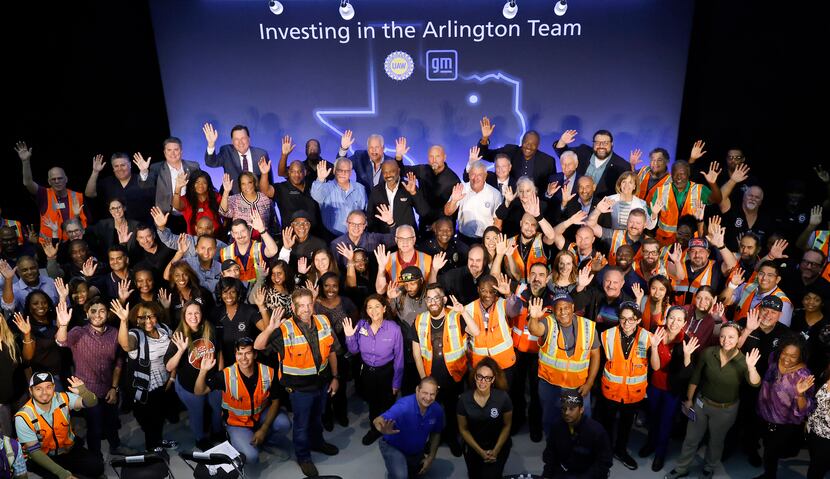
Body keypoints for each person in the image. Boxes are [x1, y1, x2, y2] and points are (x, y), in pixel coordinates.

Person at [254, 288, 340, 477]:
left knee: (318, 418)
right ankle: (303, 457)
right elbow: (258, 346)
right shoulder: (285, 329)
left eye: (309, 304)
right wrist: (270, 327)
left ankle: (318, 443)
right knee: (301, 425)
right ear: (293, 307)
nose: (306, 309)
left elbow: (332, 350)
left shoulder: (323, 321)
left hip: (323, 383)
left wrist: (335, 377)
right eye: (301, 305)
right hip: (300, 390)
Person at [664, 322, 761, 479]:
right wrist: (689, 400)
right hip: (701, 404)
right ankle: (682, 468)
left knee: (716, 441)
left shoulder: (744, 361)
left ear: (738, 339)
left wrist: (751, 368)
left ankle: (709, 468)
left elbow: (755, 383)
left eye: (731, 337)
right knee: (691, 439)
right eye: (722, 336)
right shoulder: (709, 353)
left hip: (726, 410)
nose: (726, 340)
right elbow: (695, 377)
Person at [194, 338, 292, 468]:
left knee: (284, 423)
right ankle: (238, 440)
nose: (243, 358)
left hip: (260, 416)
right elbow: (199, 391)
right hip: (237, 424)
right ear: (235, 355)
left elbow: (275, 401)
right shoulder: (226, 374)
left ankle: (267, 442)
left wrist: (264, 429)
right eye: (240, 353)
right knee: (251, 457)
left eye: (248, 353)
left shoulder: (268, 372)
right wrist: (203, 371)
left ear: (255, 354)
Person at [54, 299, 134, 457]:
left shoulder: (115, 333)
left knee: (112, 422)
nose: (98, 314)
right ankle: (95, 457)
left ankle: (115, 446)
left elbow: (119, 361)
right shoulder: (78, 332)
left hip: (108, 388)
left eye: (102, 310)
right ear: (87, 313)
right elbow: (61, 341)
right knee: (94, 427)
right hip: (87, 391)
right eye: (93, 311)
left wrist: (114, 388)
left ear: (108, 313)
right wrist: (63, 325)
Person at [411, 283, 480, 456]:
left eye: (436, 298)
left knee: (452, 410)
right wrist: (424, 380)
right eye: (429, 298)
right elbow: (416, 353)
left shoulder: (456, 316)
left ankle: (451, 438)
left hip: (454, 376)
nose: (432, 302)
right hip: (430, 377)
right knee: (430, 411)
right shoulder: (420, 320)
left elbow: (476, 332)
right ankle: (433, 439)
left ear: (443, 299)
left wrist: (463, 311)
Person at [526, 293, 600, 438]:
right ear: (554, 310)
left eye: (566, 308)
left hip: (578, 386)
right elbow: (534, 330)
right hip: (550, 385)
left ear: (573, 308)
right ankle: (553, 448)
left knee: (581, 422)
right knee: (550, 420)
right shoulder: (549, 322)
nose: (563, 312)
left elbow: (596, 355)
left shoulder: (588, 327)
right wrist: (534, 317)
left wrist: (590, 383)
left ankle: (579, 449)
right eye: (559, 309)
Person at [640, 306, 698, 472]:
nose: (674, 322)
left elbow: (687, 374)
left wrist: (687, 355)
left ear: (684, 323)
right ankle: (650, 444)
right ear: (666, 317)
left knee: (666, 422)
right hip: (654, 386)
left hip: (672, 390)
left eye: (679, 319)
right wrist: (655, 347)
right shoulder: (655, 332)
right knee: (652, 418)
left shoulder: (687, 341)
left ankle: (660, 453)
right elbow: (655, 367)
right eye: (672, 318)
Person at [15, 372, 104, 479]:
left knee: (97, 467)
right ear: (31, 391)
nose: (44, 392)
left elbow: (92, 402)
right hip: (44, 456)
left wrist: (83, 391)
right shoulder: (23, 417)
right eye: (38, 389)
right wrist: (63, 473)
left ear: (54, 387)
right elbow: (35, 452)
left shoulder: (62, 397)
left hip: (68, 450)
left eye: (48, 387)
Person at [596, 302, 652, 470]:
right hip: (610, 391)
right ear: (618, 318)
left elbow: (652, 366)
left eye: (631, 319)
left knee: (626, 425)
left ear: (638, 320)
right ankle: (604, 452)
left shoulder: (648, 337)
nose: (627, 323)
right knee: (606, 423)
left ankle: (620, 451)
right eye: (623, 318)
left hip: (633, 393)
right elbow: (600, 363)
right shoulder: (606, 335)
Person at [112, 300, 173, 451]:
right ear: (136, 319)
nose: (147, 320)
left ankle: (158, 441)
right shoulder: (135, 334)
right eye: (142, 317)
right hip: (145, 387)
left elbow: (173, 352)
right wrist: (123, 321)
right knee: (150, 421)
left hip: (164, 383)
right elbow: (125, 345)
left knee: (159, 418)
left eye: (151, 316)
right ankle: (153, 448)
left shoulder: (164, 329)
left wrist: (172, 377)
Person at [343, 295, 404, 445]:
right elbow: (354, 350)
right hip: (368, 373)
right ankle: (374, 429)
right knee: (373, 404)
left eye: (377, 306)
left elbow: (399, 358)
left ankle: (390, 432)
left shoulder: (394, 329)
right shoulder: (361, 325)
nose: (373, 310)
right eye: (370, 307)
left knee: (388, 404)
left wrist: (396, 383)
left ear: (384, 309)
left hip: (387, 372)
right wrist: (349, 336)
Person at [164, 301, 223, 451]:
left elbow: (219, 352)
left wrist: (220, 374)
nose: (194, 317)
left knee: (218, 408)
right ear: (184, 316)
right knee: (197, 413)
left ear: (202, 314)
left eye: (197, 312)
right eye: (189, 313)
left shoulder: (210, 328)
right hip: (189, 384)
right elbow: (169, 366)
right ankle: (200, 439)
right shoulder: (179, 335)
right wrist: (180, 351)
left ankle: (217, 432)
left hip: (213, 380)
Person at [756, 336, 816, 479]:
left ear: (800, 356)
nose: (787, 358)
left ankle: (769, 476)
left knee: (771, 454)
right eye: (785, 353)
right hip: (764, 415)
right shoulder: (773, 360)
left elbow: (806, 408)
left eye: (793, 356)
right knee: (767, 449)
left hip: (783, 424)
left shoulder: (803, 375)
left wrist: (800, 394)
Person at [15, 141, 89, 242]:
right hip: (50, 245)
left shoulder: (77, 196)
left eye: (60, 178)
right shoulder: (44, 194)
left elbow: (85, 222)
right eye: (53, 179)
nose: (57, 181)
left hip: (73, 243)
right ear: (49, 182)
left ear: (66, 179)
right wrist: (25, 161)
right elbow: (28, 183)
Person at [373, 376, 443, 479]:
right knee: (401, 476)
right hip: (393, 446)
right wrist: (383, 429)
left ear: (436, 394)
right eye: (425, 393)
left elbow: (436, 433)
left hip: (416, 449)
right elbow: (377, 420)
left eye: (432, 394)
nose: (428, 398)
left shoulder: (437, 410)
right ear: (417, 390)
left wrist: (431, 457)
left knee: (419, 472)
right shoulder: (403, 407)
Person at [456, 357, 513, 479]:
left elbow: (507, 425)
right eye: (480, 376)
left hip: (497, 446)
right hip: (474, 447)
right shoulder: (464, 400)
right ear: (475, 376)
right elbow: (463, 429)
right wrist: (480, 452)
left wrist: (496, 450)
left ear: (493, 380)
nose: (483, 381)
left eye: (488, 378)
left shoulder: (503, 398)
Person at [314, 271, 357, 430]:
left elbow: (355, 318)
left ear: (339, 287)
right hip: (324, 351)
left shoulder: (345, 302)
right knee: (325, 386)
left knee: (341, 385)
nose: (330, 289)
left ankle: (341, 413)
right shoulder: (316, 304)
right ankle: (327, 417)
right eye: (326, 285)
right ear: (321, 287)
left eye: (334, 286)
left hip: (342, 351)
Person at [542, 389, 612, 479]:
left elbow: (604, 462)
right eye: (564, 408)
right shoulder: (557, 427)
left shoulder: (596, 431)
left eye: (572, 409)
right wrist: (546, 475)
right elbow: (550, 454)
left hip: (588, 474)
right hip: (564, 472)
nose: (566, 413)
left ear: (581, 409)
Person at [136, 137, 202, 232]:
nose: (173, 153)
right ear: (164, 152)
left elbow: (202, 186)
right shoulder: (156, 168)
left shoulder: (193, 167)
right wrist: (144, 171)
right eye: (169, 150)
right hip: (167, 215)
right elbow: (145, 185)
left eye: (176, 149)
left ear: (181, 151)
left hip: (191, 213)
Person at [651, 160, 723, 245]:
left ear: (688, 174)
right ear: (671, 174)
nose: (678, 177)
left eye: (682, 174)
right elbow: (650, 220)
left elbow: (718, 199)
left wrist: (712, 183)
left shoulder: (699, 189)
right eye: (675, 173)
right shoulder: (661, 191)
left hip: (691, 242)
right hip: (665, 242)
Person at [477, 117, 556, 193]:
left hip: (534, 203)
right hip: (510, 201)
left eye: (533, 144)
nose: (528, 146)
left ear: (538, 145)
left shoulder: (548, 162)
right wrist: (485, 138)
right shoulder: (510, 151)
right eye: (526, 143)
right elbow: (483, 154)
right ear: (522, 141)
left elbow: (552, 187)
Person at [465, 275, 517, 381]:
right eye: (484, 290)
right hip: (480, 366)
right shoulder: (468, 309)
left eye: (492, 291)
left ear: (496, 291)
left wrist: (508, 294)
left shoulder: (503, 303)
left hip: (504, 364)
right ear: (478, 290)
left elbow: (516, 310)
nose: (487, 295)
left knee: (504, 395)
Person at [258, 158, 324, 240]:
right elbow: (265, 191)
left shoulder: (313, 185)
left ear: (305, 172)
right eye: (293, 171)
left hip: (315, 236)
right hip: (290, 238)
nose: (297, 175)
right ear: (288, 172)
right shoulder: (281, 188)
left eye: (300, 171)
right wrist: (264, 174)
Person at [553, 129, 630, 198]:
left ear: (612, 144)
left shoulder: (622, 166)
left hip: (601, 209)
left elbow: (624, 192)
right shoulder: (583, 151)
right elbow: (564, 155)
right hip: (574, 203)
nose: (601, 146)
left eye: (605, 143)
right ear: (593, 144)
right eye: (597, 143)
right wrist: (562, 141)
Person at [84, 152, 153, 224]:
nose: (120, 169)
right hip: (114, 230)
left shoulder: (141, 179)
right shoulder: (107, 182)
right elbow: (89, 194)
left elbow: (151, 194)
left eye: (123, 165)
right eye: (116, 166)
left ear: (130, 165)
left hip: (140, 229)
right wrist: (95, 172)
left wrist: (144, 171)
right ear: (113, 168)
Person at [203, 123, 271, 194]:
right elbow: (211, 162)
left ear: (249, 139)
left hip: (255, 200)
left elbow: (268, 179)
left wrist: (270, 199)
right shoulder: (227, 151)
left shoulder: (261, 154)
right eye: (236, 139)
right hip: (232, 198)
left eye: (243, 138)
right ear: (232, 141)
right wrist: (211, 144)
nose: (240, 142)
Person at [444, 160, 502, 243]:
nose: (475, 178)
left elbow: (498, 223)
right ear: (469, 175)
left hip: (484, 241)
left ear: (485, 176)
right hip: (463, 240)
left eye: (479, 175)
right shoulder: (461, 189)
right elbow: (447, 212)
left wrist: (491, 243)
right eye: (473, 174)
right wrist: (454, 201)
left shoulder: (495, 194)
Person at [310, 158, 368, 238]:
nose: (343, 173)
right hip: (331, 236)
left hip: (356, 236)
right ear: (334, 171)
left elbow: (365, 211)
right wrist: (320, 179)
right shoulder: (326, 187)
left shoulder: (360, 188)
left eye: (346, 171)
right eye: (340, 170)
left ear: (351, 172)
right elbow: (315, 195)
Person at [366, 160, 428, 234]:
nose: (388, 175)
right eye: (385, 172)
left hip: (407, 238)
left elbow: (424, 212)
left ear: (398, 171)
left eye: (392, 171)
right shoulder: (376, 190)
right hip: (385, 239)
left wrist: (413, 193)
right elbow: (370, 217)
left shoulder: (409, 186)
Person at [219, 214, 278, 284]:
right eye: (236, 233)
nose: (240, 235)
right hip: (236, 291)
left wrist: (262, 230)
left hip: (259, 290)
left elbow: (273, 251)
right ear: (232, 234)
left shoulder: (259, 247)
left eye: (243, 231)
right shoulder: (224, 252)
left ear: (249, 230)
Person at [219, 172, 276, 238]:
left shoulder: (265, 199)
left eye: (250, 182)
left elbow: (273, 222)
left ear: (255, 183)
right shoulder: (234, 199)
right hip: (241, 239)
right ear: (240, 186)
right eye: (243, 184)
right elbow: (223, 212)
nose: (247, 186)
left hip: (263, 240)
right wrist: (226, 191)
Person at [172, 170, 223, 236]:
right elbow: (176, 206)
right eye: (197, 182)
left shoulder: (215, 196)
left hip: (217, 238)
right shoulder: (187, 199)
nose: (200, 185)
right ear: (192, 184)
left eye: (204, 182)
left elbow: (225, 212)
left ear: (208, 185)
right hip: (195, 239)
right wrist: (177, 188)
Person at [806, 361, 830, 479]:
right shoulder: (823, 377)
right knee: (814, 461)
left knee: (815, 471)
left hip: (827, 439)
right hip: (813, 431)